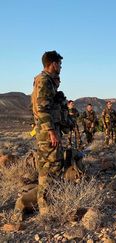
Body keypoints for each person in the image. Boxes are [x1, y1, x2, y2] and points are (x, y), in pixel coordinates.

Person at [31, 50, 64, 216]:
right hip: (47, 132)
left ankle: (51, 201)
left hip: (49, 129)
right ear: (53, 64)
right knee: (48, 168)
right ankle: (45, 208)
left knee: (53, 165)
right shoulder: (44, 80)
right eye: (59, 64)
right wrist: (51, 132)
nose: (61, 67)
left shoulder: (48, 81)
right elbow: (42, 108)